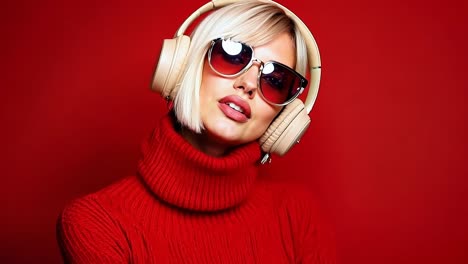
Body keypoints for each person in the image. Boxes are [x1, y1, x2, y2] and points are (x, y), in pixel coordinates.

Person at [56, 0, 336, 263]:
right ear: (184, 66)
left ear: (284, 116)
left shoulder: (296, 215)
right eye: (233, 53)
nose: (248, 84)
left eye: (277, 79)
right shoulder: (95, 222)